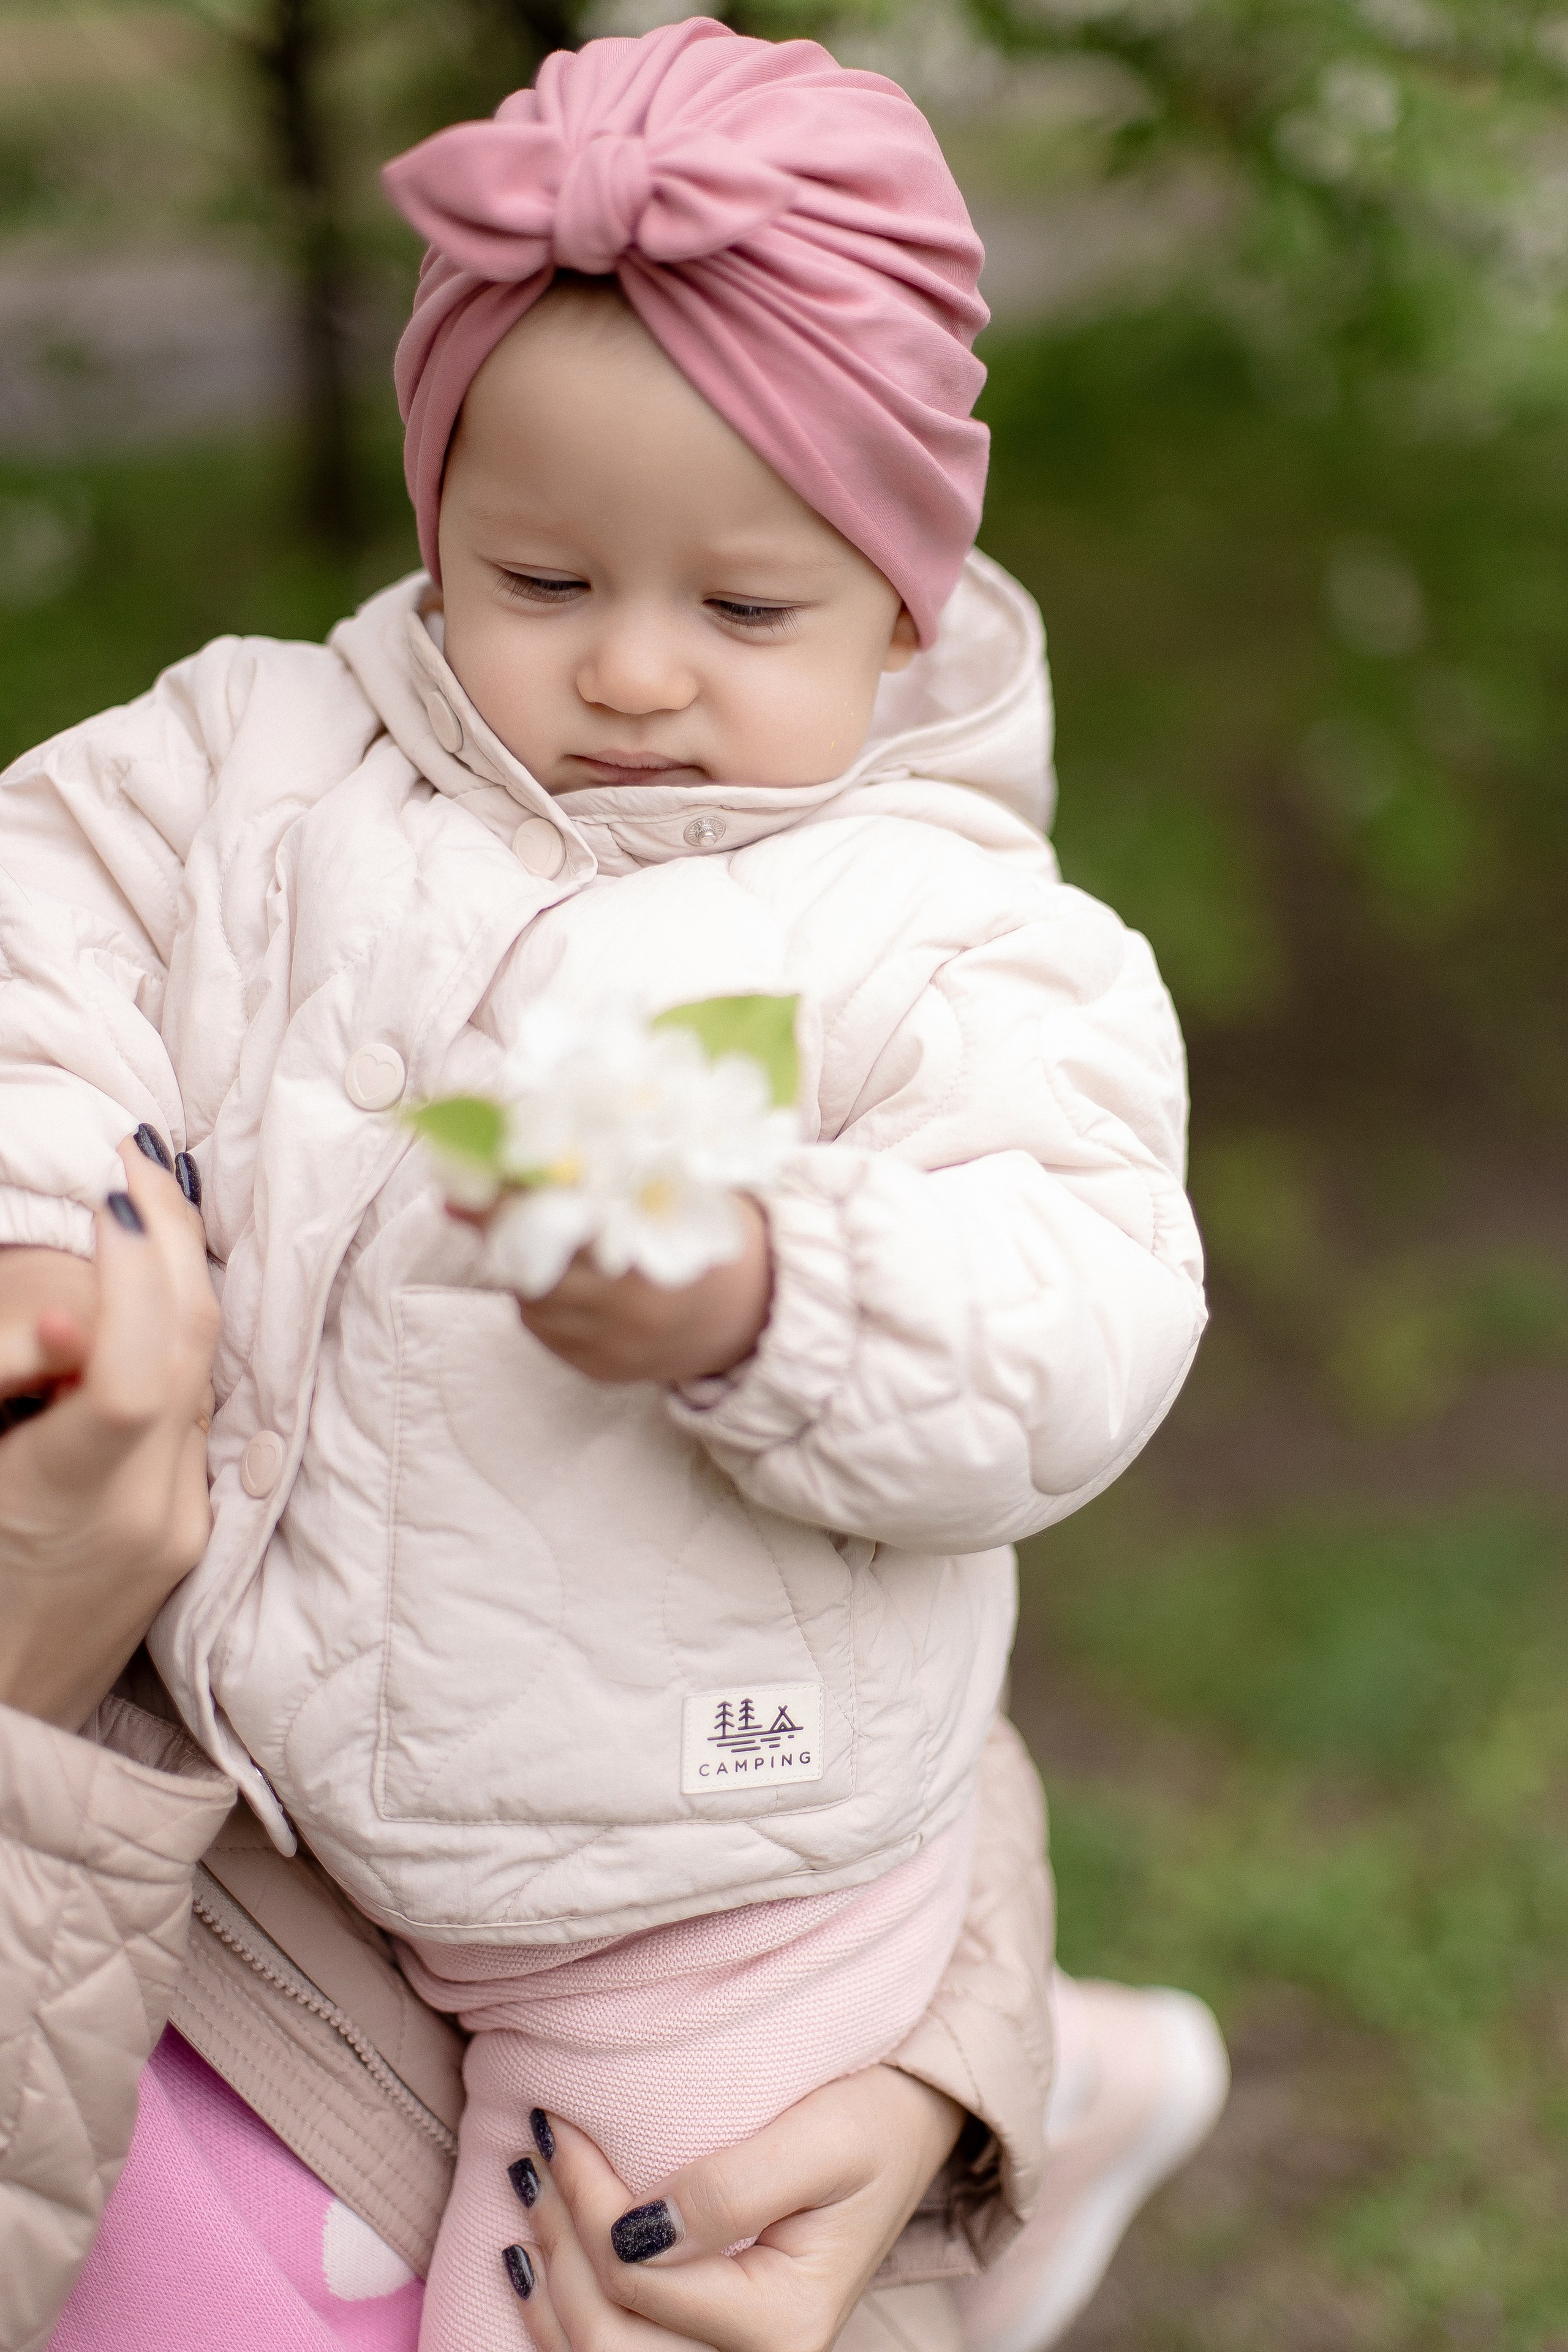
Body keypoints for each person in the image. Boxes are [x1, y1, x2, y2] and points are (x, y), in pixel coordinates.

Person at [0, 17, 1225, 2346]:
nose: (635, 673)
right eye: (540, 579)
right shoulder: (258, 760)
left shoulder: (961, 937)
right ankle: (1084, 2079)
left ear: (906, 598)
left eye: (744, 610)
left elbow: (1077, 1302)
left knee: (619, 2305)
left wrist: (773, 1298)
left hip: (709, 1877)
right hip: (270, 1777)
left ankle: (1047, 2098)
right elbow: (31, 920)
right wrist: (41, 1225)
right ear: (433, 525)